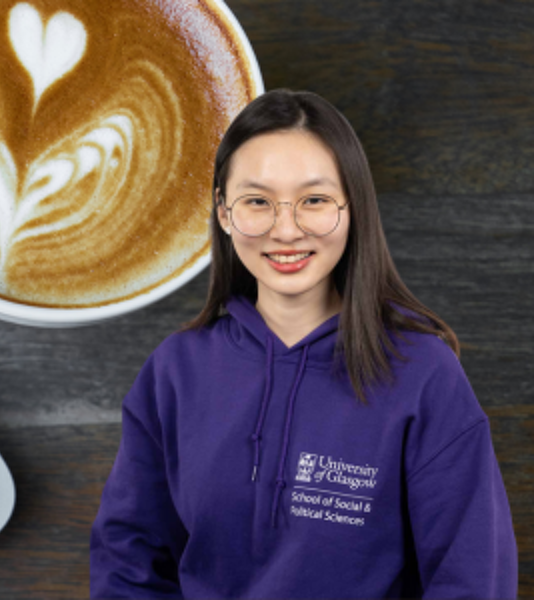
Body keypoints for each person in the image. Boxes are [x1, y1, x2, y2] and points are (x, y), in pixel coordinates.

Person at [88, 89, 517, 598]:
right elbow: (128, 562)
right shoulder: (174, 372)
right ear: (224, 214)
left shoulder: (423, 372)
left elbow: (472, 577)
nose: (285, 230)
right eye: (257, 202)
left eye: (313, 200)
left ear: (352, 207)